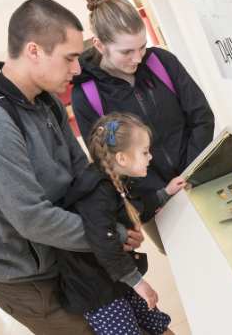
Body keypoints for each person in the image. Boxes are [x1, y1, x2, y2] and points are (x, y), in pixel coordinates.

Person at [0, 0, 144, 334]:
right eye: (69, 58)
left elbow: (81, 175)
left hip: (73, 256)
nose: (78, 69)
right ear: (34, 51)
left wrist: (112, 222)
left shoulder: (47, 100)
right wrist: (111, 236)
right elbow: (32, 218)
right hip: (30, 280)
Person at [71, 0, 215, 252]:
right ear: (100, 45)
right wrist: (162, 193)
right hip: (154, 203)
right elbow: (108, 162)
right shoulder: (87, 96)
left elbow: (201, 116)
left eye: (142, 46)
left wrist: (189, 172)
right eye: (126, 52)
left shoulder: (161, 62)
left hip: (198, 176)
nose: (138, 58)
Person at [59, 112, 185, 335]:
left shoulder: (116, 178)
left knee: (156, 323)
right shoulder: (96, 191)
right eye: (145, 152)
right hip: (96, 288)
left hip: (116, 274)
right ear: (122, 158)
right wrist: (138, 283)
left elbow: (133, 208)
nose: (150, 157)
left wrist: (165, 193)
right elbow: (103, 240)